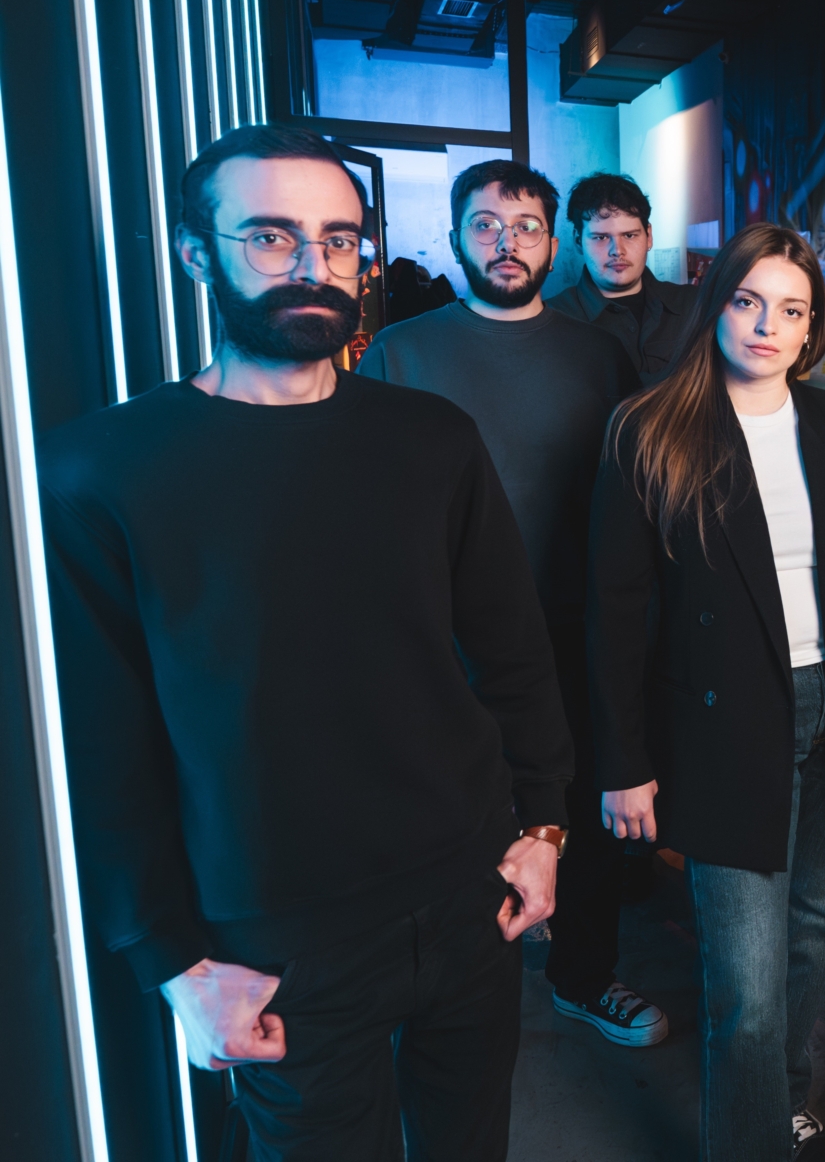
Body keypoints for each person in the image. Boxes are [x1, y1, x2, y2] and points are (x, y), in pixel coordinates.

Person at [38, 126, 572, 1159]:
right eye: (272, 236)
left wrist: (544, 825)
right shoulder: (101, 471)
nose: (312, 265)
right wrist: (172, 963)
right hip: (274, 935)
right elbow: (99, 745)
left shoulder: (431, 437)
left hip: (469, 893)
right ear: (197, 254)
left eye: (337, 239)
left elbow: (513, 649)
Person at [587, 223, 825, 1161]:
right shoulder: (651, 429)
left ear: (814, 326)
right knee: (744, 985)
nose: (767, 326)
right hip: (727, 722)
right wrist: (622, 761)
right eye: (748, 302)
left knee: (819, 933)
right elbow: (614, 611)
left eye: (792, 309)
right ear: (717, 307)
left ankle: (776, 1105)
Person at [357, 160, 665, 1050]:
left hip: (574, 625)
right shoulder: (400, 353)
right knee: (451, 812)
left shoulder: (598, 355)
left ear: (552, 243)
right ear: (456, 238)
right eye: (486, 225)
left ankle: (584, 976)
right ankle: (452, 999)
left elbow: (632, 498)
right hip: (444, 637)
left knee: (583, 806)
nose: (506, 242)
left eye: (526, 226)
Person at [548, 171, 697, 385]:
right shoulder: (552, 319)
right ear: (578, 241)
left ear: (649, 236)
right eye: (601, 237)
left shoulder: (694, 304)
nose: (617, 251)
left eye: (629, 235)